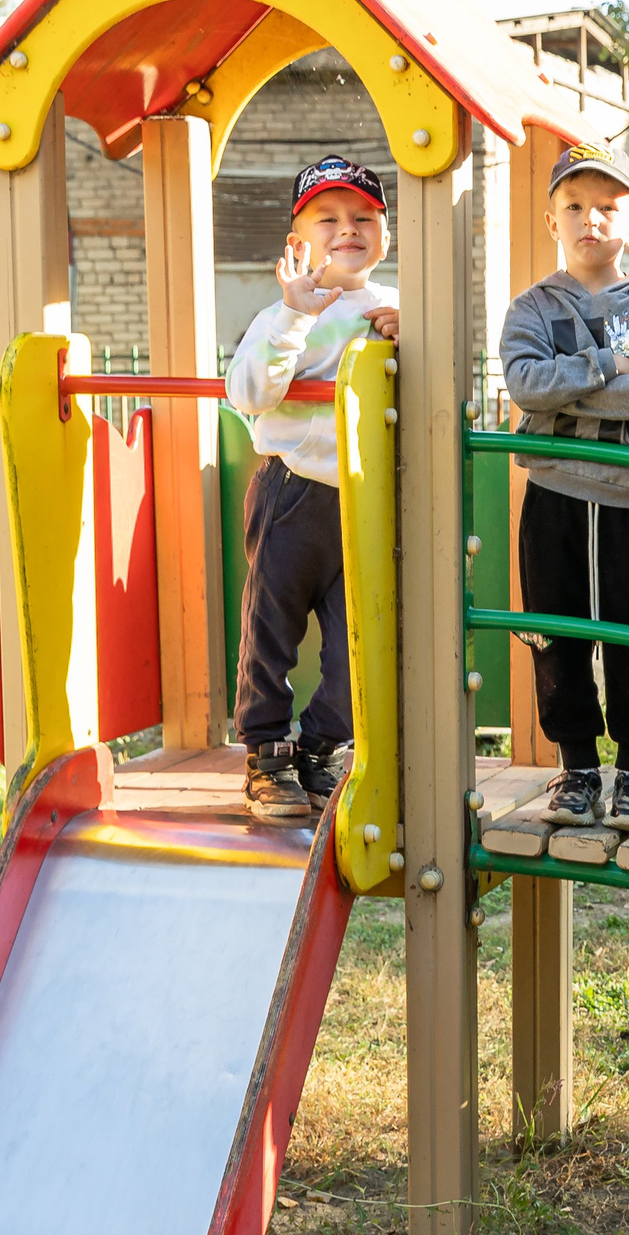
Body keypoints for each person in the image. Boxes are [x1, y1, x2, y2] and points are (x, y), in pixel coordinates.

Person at [500, 141, 629, 833]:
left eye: (608, 207)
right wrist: (609, 360)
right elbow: (523, 383)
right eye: (573, 206)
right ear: (553, 223)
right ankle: (577, 767)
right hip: (554, 495)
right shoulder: (533, 304)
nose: (590, 220)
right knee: (557, 633)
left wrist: (560, 399)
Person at [224, 156, 398, 823]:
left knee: (359, 639)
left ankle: (324, 746)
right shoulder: (281, 311)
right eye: (327, 219)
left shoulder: (397, 306)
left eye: (363, 218)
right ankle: (267, 750)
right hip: (293, 494)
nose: (346, 230)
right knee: (272, 627)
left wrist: (409, 345)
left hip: (364, 502)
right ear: (297, 242)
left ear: (387, 233)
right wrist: (293, 318)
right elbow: (248, 393)